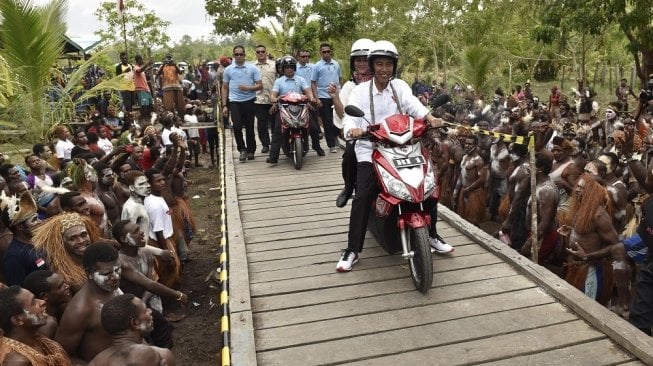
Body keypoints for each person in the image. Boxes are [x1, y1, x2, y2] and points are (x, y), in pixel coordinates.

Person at [337, 40, 452, 271]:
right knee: (362, 196)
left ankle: (432, 234)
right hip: (370, 149)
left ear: (394, 66)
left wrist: (429, 118)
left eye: (388, 64)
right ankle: (352, 249)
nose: (384, 69)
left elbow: (413, 105)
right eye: (379, 64)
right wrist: (352, 128)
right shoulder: (360, 91)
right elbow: (350, 116)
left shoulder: (399, 87)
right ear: (372, 66)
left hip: (403, 147)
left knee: (427, 187)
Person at [55, 242, 123, 362]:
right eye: (106, 273)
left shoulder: (113, 288)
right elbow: (61, 356)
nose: (115, 277)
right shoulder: (81, 309)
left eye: (117, 270)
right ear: (89, 273)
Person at [330, 38, 375, 207]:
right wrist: (335, 98)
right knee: (349, 155)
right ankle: (348, 187)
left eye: (365, 59)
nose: (362, 63)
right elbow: (343, 116)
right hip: (360, 136)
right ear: (352, 62)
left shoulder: (385, 83)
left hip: (386, 134)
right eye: (358, 60)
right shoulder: (350, 86)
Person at [563, 173, 619, 305]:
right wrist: (570, 232)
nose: (577, 190)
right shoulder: (582, 207)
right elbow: (586, 234)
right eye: (578, 186)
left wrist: (587, 256)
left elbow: (616, 245)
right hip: (576, 267)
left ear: (592, 191)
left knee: (587, 308)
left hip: (591, 270)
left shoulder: (599, 215)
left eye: (582, 188)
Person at [89, 294, 176, 366]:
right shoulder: (162, 356)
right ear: (135, 323)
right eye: (145, 310)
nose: (150, 311)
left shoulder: (95, 363)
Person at [0, 286, 72, 365]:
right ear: (18, 320)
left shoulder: (38, 341)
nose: (42, 302)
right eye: (33, 303)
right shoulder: (16, 361)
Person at [266, 56, 316, 165]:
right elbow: (273, 94)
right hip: (284, 109)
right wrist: (274, 98)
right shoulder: (279, 81)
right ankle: (273, 156)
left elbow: (308, 91)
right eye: (287, 67)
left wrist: (311, 97)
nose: (289, 69)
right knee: (277, 129)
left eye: (291, 67)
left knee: (313, 126)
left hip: (301, 108)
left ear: (294, 68)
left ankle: (317, 147)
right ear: (283, 69)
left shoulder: (300, 80)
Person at [32, 212, 101, 292]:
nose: (81, 241)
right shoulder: (62, 274)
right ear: (62, 243)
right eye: (72, 239)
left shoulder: (99, 257)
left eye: (83, 235)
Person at [221, 45, 263, 162]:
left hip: (249, 101)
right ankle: (242, 150)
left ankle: (251, 150)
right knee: (237, 126)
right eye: (236, 54)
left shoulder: (252, 68)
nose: (239, 56)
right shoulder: (228, 70)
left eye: (241, 54)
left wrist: (248, 88)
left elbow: (260, 85)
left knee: (250, 127)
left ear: (244, 55)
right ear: (233, 55)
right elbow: (224, 87)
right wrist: (224, 105)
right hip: (234, 101)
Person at [1, 192, 45, 286]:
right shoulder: (14, 256)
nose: (40, 222)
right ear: (20, 226)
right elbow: (19, 292)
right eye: (34, 219)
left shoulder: (37, 241)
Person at [312, 42, 343, 153]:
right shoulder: (317, 66)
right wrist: (317, 98)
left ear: (331, 52)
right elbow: (313, 82)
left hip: (336, 96)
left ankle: (338, 139)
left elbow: (340, 79)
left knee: (338, 119)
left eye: (328, 51)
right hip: (323, 97)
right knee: (327, 121)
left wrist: (341, 92)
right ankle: (331, 145)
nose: (326, 53)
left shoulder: (336, 64)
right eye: (324, 52)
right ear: (320, 52)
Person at [454, 135, 488, 226]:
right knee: (463, 217)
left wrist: (468, 189)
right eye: (466, 143)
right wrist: (456, 191)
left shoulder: (478, 160)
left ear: (476, 145)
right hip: (464, 190)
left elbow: (482, 179)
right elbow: (462, 174)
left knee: (473, 220)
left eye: (470, 144)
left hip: (474, 193)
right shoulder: (464, 157)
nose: (467, 145)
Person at [253, 45, 277, 154]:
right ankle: (265, 144)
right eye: (258, 52)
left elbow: (280, 79)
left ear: (266, 52)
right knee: (262, 124)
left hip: (273, 99)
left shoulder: (274, 65)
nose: (260, 53)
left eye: (263, 51)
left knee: (275, 123)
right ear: (256, 53)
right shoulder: (252, 67)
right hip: (258, 99)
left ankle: (276, 142)